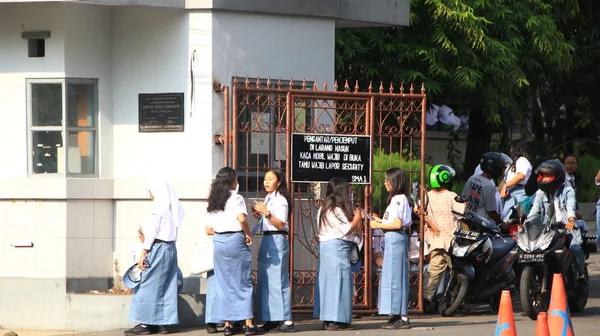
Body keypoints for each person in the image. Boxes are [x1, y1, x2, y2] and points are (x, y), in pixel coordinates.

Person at [206, 167, 261, 336]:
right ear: (231, 181)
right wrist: (248, 234)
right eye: (236, 179)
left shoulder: (214, 201)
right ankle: (248, 323)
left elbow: (208, 229)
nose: (238, 181)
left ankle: (228, 324)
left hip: (219, 241)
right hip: (236, 240)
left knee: (224, 283)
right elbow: (242, 218)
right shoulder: (237, 198)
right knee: (242, 281)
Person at [124, 180, 185, 335]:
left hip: (157, 247)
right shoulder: (172, 207)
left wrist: (143, 253)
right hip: (170, 248)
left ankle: (145, 324)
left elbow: (151, 232)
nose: (149, 195)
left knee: (146, 283)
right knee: (167, 285)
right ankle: (162, 323)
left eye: (150, 191)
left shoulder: (158, 207)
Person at [315, 177, 363, 331]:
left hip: (329, 248)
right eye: (348, 191)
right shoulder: (334, 209)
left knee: (329, 284)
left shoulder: (325, 208)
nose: (350, 194)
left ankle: (329, 319)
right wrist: (358, 216)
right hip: (337, 248)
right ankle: (338, 321)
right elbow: (347, 229)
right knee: (339, 284)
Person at [252, 170, 296, 333]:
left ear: (279, 182)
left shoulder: (281, 200)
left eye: (270, 179)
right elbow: (269, 221)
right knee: (266, 281)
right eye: (265, 179)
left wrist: (267, 213)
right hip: (267, 238)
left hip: (277, 239)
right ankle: (271, 318)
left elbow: (280, 225)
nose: (266, 182)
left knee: (278, 280)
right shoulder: (269, 198)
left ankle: (288, 320)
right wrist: (260, 215)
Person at [369, 168, 413, 329]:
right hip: (393, 239)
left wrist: (376, 224)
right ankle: (397, 313)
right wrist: (380, 221)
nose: (386, 184)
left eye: (388, 181)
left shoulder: (398, 199)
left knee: (396, 278)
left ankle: (402, 316)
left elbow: (397, 224)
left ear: (395, 182)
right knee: (393, 277)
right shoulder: (399, 199)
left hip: (395, 238)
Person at [527, 160, 585, 279]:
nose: (544, 179)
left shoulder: (568, 191)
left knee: (575, 249)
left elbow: (570, 206)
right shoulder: (540, 194)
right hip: (546, 231)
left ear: (557, 176)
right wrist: (526, 224)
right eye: (542, 176)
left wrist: (571, 220)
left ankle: (581, 275)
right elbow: (534, 212)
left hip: (566, 229)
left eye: (548, 176)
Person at [419, 165, 463, 309]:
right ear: (446, 178)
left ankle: (424, 300)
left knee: (434, 272)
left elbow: (418, 210)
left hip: (436, 241)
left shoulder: (426, 196)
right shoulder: (452, 196)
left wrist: (429, 222)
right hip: (453, 241)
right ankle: (456, 300)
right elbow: (461, 213)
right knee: (459, 271)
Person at [462, 152, 506, 228]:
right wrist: (501, 223)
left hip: (468, 220)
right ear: (495, 168)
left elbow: (463, 198)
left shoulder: (472, 178)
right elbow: (491, 211)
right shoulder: (489, 186)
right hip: (482, 225)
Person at [499, 140, 533, 222]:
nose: (510, 150)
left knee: (516, 218)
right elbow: (505, 180)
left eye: (511, 147)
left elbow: (521, 176)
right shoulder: (512, 164)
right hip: (510, 193)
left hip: (519, 193)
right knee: (507, 217)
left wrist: (506, 186)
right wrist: (496, 191)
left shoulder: (522, 160)